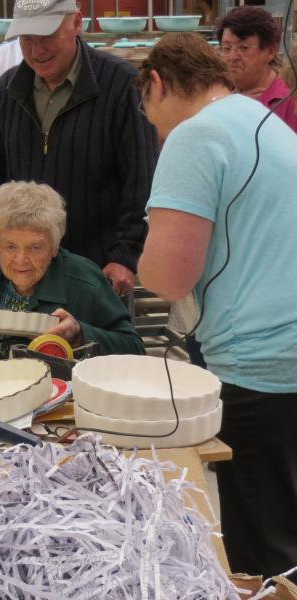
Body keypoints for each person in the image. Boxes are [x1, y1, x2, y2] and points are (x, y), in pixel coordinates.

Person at [136, 32, 297, 578]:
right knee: (286, 528)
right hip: (286, 356)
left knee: (262, 557)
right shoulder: (263, 122)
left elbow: (167, 279)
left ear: (156, 83)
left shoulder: (196, 136)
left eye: (152, 120)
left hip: (259, 366)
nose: (158, 136)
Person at [0, 0, 158, 296]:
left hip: (95, 273)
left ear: (76, 23)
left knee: (92, 342)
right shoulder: (8, 89)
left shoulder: (121, 84)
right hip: (21, 273)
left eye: (46, 36)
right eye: (27, 39)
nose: (36, 50)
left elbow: (141, 178)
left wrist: (125, 255)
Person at [0, 181, 144, 361]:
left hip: (51, 399)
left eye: (35, 247)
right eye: (10, 246)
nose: (21, 260)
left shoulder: (84, 279)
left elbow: (133, 348)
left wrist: (80, 334)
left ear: (54, 247)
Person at [217, 6, 297, 132]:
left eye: (243, 48)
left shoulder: (290, 100)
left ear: (271, 51)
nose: (232, 57)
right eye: (226, 48)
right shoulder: (218, 94)